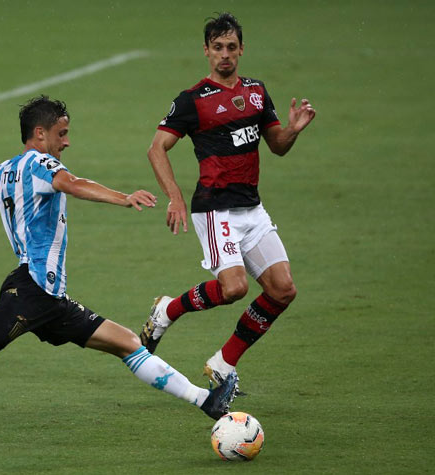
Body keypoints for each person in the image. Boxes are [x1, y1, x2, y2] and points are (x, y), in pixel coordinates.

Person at [0, 95, 237, 420]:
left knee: (126, 343)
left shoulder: (3, 171)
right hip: (31, 293)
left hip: (51, 300)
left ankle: (206, 401)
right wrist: (123, 197)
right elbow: (72, 183)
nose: (66, 142)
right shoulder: (40, 165)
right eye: (62, 133)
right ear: (40, 134)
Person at [139, 13, 316, 390]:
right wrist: (175, 198)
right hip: (214, 208)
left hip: (252, 209)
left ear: (241, 50)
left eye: (231, 47)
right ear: (206, 51)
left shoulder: (256, 92)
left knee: (283, 289)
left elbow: (277, 146)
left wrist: (293, 130)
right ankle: (167, 310)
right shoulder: (192, 101)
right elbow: (157, 149)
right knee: (234, 288)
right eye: (217, 48)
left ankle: (223, 363)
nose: (225, 55)